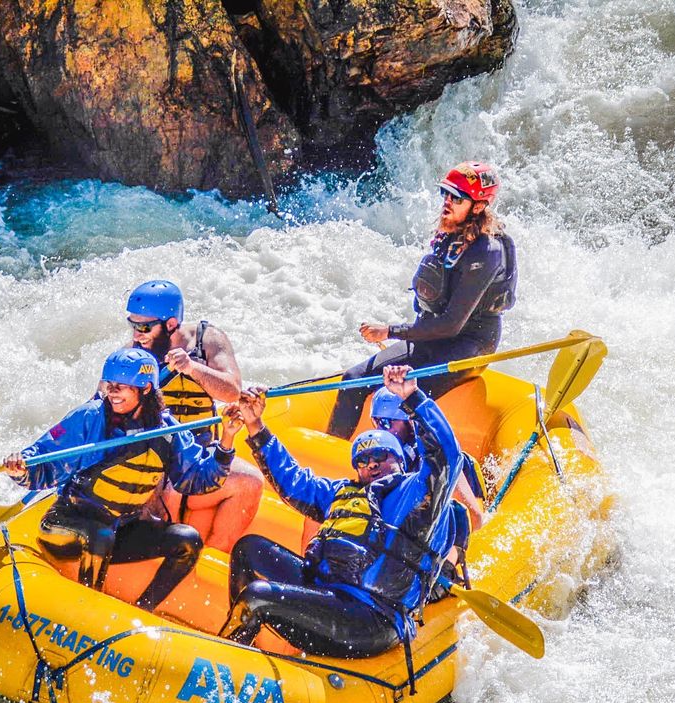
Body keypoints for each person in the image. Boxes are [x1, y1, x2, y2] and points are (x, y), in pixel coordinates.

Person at [218, 366, 462, 658]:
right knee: (250, 548)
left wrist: (412, 397)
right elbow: (294, 482)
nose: (371, 464)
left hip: (371, 617)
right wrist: (255, 425)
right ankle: (247, 637)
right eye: (363, 460)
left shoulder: (414, 498)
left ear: (398, 460)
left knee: (257, 596)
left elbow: (447, 458)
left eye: (379, 456)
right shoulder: (343, 494)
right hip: (328, 594)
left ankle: (231, 654)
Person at [1, 347, 235, 612]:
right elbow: (44, 458)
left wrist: (226, 440)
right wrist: (23, 468)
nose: (111, 393)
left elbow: (197, 479)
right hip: (67, 523)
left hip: (121, 526)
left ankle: (144, 608)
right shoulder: (90, 417)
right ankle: (86, 612)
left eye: (120, 387)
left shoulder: (168, 431)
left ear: (146, 389)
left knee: (187, 540)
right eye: (109, 385)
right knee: (99, 535)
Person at [327, 161, 518, 438]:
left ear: (478, 206)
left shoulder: (486, 252)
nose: (448, 202)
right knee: (353, 380)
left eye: (458, 198)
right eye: (446, 194)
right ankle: (333, 455)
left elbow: (452, 324)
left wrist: (391, 331)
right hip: (431, 337)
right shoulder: (449, 232)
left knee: (398, 399)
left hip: (468, 345)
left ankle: (400, 469)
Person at [125, 279, 263, 553]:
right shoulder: (134, 355)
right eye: (132, 324)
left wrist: (192, 368)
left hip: (202, 451)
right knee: (165, 493)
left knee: (251, 483)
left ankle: (214, 555)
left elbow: (232, 390)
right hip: (158, 454)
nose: (137, 334)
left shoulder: (208, 340)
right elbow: (103, 405)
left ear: (171, 324)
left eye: (144, 326)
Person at [370, 386, 487, 532]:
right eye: (376, 423)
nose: (380, 431)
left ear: (410, 423)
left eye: (386, 423)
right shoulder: (384, 460)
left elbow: (474, 519)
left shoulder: (436, 459)